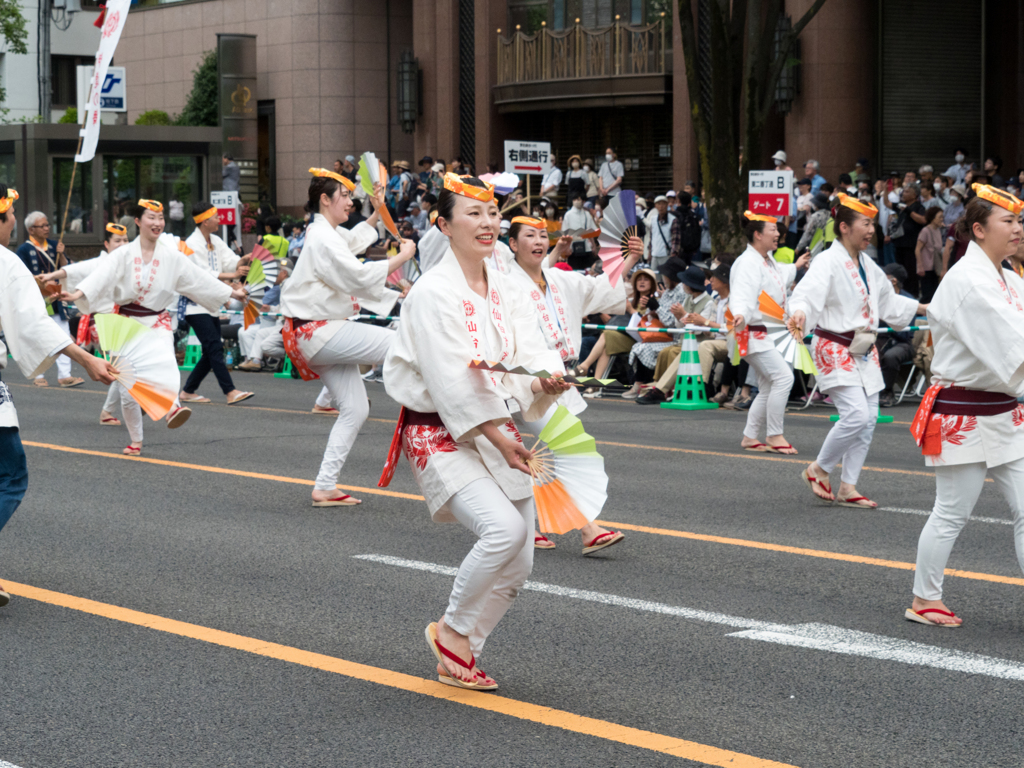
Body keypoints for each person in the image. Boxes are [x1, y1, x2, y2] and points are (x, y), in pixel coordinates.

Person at [381, 173, 570, 690]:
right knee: (503, 532)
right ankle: (451, 632)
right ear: (442, 225)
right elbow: (449, 380)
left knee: (520, 561)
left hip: (495, 422)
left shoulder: (504, 284)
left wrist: (546, 380)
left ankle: (461, 649)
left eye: (492, 214)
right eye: (473, 213)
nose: (488, 223)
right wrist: (499, 435)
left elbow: (528, 349)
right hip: (441, 431)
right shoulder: (430, 292)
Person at [906, 184, 1024, 627]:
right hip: (961, 411)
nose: (1017, 229)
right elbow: (1015, 341)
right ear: (978, 229)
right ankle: (923, 599)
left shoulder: (1008, 276)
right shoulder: (968, 280)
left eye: (1019, 221)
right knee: (952, 511)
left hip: (1003, 409)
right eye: (1007, 221)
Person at [0, 184, 118, 608]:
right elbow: (32, 323)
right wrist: (86, 359)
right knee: (10, 477)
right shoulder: (5, 262)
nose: (15, 221)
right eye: (11, 214)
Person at [63, 200, 248, 456]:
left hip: (159, 319)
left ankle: (172, 407)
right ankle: (136, 440)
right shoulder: (123, 254)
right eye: (151, 217)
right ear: (138, 221)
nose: (157, 222)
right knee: (128, 389)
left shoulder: (171, 255)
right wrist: (77, 293)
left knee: (165, 362)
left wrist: (232, 292)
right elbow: (100, 275)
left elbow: (198, 278)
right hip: (127, 323)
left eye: (160, 218)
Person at [280, 168, 414, 507]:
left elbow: (354, 241)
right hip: (318, 330)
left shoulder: (323, 233)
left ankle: (325, 486)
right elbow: (356, 274)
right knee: (401, 345)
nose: (350, 203)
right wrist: (402, 257)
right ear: (325, 199)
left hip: (314, 333)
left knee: (354, 409)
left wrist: (376, 210)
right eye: (344, 197)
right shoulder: (322, 238)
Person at [505, 215, 640, 552]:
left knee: (543, 453)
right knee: (566, 448)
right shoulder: (502, 284)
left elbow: (600, 287)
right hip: (521, 380)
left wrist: (630, 258)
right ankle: (588, 527)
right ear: (511, 244)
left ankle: (526, 526)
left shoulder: (561, 280)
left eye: (541, 235)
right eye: (529, 236)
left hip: (561, 378)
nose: (538, 241)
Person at [788, 194, 923, 507]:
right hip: (834, 344)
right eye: (866, 223)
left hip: (864, 347)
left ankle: (849, 485)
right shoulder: (826, 261)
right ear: (845, 227)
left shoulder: (868, 264)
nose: (871, 230)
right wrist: (799, 313)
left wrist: (924, 307)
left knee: (869, 418)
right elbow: (805, 296)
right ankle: (819, 468)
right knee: (856, 415)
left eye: (873, 224)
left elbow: (889, 302)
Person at [731, 211, 807, 454]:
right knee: (784, 378)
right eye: (773, 230)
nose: (778, 233)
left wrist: (796, 266)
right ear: (757, 234)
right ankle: (774, 435)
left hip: (768, 333)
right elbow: (743, 294)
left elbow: (782, 276)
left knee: (768, 386)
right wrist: (740, 313)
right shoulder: (747, 262)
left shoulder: (767, 260)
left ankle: (750, 436)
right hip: (754, 332)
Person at [40, 223, 130, 425]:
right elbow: (74, 270)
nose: (122, 244)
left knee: (122, 367)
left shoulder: (130, 262)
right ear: (107, 244)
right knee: (123, 365)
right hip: (103, 323)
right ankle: (126, 406)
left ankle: (112, 410)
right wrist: (51, 276)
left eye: (125, 240)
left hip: (123, 321)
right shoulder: (102, 263)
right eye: (117, 241)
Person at [179, 202, 255, 405]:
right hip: (194, 304)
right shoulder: (192, 244)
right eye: (215, 217)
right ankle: (229, 391)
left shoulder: (216, 240)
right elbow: (201, 274)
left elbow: (231, 261)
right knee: (214, 346)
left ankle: (188, 391)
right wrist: (233, 275)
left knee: (213, 349)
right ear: (205, 221)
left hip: (210, 302)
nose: (219, 220)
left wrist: (243, 260)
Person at [15, 211, 84, 388]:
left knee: (62, 335)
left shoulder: (54, 245)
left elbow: (67, 269)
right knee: (37, 336)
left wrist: (61, 254)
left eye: (48, 225)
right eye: (42, 226)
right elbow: (22, 275)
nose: (47, 228)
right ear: (31, 229)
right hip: (37, 298)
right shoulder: (23, 250)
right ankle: (38, 374)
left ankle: (65, 375)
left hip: (57, 296)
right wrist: (42, 280)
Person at [635, 264, 718, 405]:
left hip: (700, 343)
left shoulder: (708, 302)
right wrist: (678, 316)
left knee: (678, 353)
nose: (682, 285)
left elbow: (700, 329)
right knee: (667, 352)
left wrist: (683, 315)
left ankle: (662, 390)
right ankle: (663, 389)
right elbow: (679, 325)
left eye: (685, 282)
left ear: (690, 285)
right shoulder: (688, 299)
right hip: (687, 342)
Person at [876, 264, 917, 407]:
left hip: (902, 343)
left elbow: (904, 333)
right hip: (880, 338)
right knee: (865, 350)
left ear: (893, 281)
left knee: (891, 356)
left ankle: (887, 391)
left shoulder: (908, 300)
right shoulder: (878, 298)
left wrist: (887, 322)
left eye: (883, 276)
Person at [559, 192, 598, 270]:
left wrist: (593, 245)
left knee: (588, 271)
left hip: (587, 247)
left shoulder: (587, 214)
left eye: (580, 199)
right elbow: (565, 233)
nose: (577, 201)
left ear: (583, 201)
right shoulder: (568, 214)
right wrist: (566, 248)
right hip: (573, 248)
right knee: (575, 271)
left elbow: (590, 231)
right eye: (576, 199)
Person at [916, 206, 944, 302]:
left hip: (935, 267)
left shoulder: (938, 230)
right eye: (939, 217)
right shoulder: (925, 231)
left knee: (934, 293)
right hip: (926, 268)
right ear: (932, 218)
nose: (941, 219)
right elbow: (918, 249)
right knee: (927, 294)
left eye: (942, 217)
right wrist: (920, 266)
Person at [646, 195, 675, 270]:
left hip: (666, 254)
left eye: (663, 204)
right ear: (655, 205)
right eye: (659, 204)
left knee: (665, 279)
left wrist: (673, 254)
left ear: (667, 204)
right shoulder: (653, 219)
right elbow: (651, 237)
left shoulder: (672, 219)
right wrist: (649, 252)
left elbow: (675, 239)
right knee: (654, 278)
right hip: (654, 254)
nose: (661, 206)